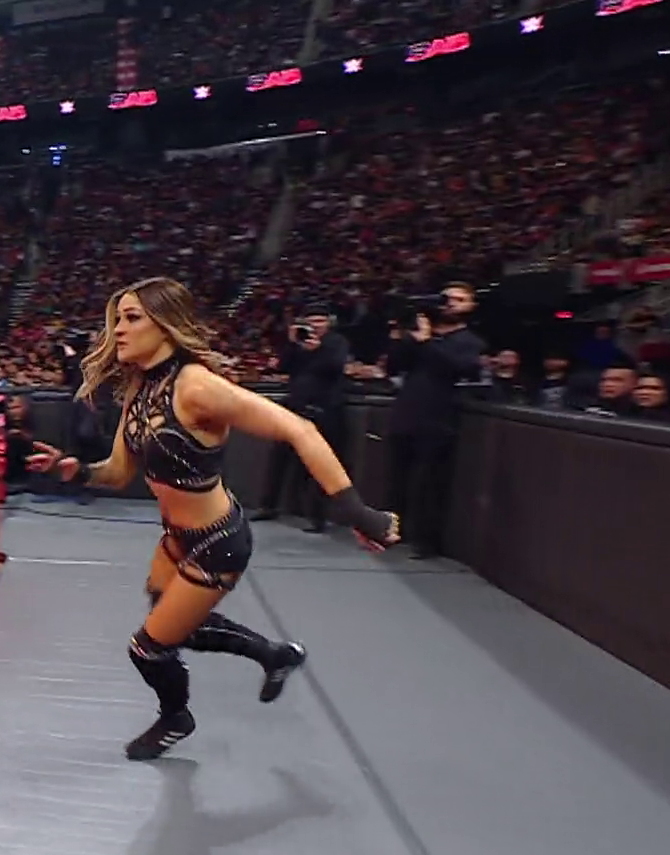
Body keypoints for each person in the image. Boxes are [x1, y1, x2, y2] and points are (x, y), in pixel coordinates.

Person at [26, 278, 399, 761]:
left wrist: (357, 512)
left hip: (217, 541)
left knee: (148, 647)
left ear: (165, 324)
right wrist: (72, 469)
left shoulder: (197, 387)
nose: (118, 329)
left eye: (132, 318)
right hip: (175, 537)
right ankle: (274, 655)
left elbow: (300, 429)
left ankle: (176, 717)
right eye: (118, 319)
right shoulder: (141, 387)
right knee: (179, 624)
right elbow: (118, 472)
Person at [385, 282, 484, 559]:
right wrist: (404, 336)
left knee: (428, 484)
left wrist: (427, 342)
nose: (450, 303)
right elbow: (393, 365)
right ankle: (393, 531)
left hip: (437, 419)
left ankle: (426, 541)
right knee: (397, 479)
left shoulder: (470, 341)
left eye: (459, 299)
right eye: (446, 298)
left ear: (471, 306)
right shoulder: (419, 334)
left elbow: (458, 368)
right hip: (406, 413)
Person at [254, 302, 350, 532]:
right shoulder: (298, 341)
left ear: (329, 322)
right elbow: (282, 367)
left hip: (324, 409)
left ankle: (317, 516)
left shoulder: (336, 342)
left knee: (318, 464)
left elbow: (335, 366)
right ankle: (268, 505)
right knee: (278, 459)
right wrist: (291, 342)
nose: (315, 326)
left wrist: (315, 349)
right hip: (295, 407)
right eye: (311, 321)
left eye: (320, 321)